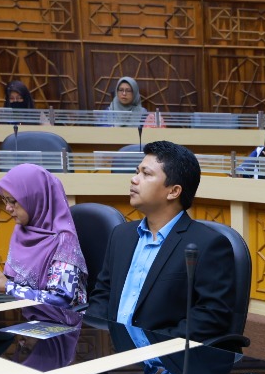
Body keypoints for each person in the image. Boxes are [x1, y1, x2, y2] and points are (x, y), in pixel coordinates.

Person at [86, 140, 239, 346]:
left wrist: (149, 347)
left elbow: (210, 317)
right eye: (137, 172)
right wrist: (98, 339)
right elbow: (103, 294)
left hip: (163, 358)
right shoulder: (121, 235)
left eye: (146, 174)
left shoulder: (209, 245)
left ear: (173, 191)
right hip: (111, 351)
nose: (134, 179)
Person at [0, 163, 88, 370]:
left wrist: (9, 287)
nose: (8, 208)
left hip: (59, 328)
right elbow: (19, 280)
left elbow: (61, 300)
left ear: (37, 198)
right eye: (4, 200)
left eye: (13, 201)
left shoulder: (63, 241)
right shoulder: (22, 230)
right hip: (29, 317)